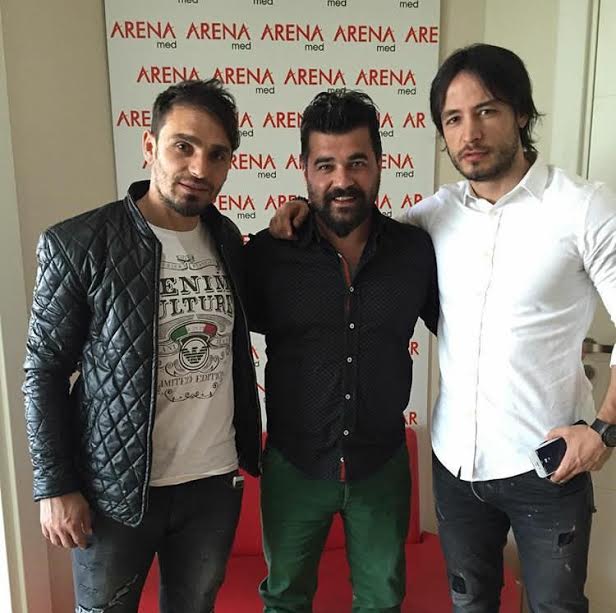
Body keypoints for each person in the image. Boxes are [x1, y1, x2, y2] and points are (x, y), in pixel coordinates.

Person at [271, 44, 616, 612]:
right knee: (469, 606)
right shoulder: (433, 218)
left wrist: (603, 430)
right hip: (456, 468)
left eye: (487, 111)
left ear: (521, 113)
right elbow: (354, 224)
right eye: (453, 119)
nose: (470, 132)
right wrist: (305, 210)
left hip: (548, 469)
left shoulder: (582, 207)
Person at [23, 79, 261, 613]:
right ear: (150, 146)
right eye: (184, 146)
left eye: (217, 154)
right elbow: (43, 369)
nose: (199, 167)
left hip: (211, 485)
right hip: (113, 490)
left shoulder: (228, 241)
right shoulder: (79, 243)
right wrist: (54, 485)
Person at [246, 89, 439, 613]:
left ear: (379, 163)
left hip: (381, 463)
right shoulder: (268, 255)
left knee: (382, 602)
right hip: (294, 465)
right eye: (325, 165)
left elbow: (468, 328)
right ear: (305, 170)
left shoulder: (415, 253)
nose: (342, 180)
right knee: (284, 601)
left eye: (357, 162)